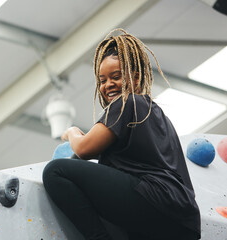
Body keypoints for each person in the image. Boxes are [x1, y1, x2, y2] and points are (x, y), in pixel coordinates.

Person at [42, 29, 201, 240]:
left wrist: (72, 132)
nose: (108, 85)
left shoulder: (127, 102)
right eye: (102, 80)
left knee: (56, 171)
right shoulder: (156, 114)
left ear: (135, 79)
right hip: (182, 221)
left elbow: (83, 149)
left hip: (153, 199)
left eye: (116, 76)